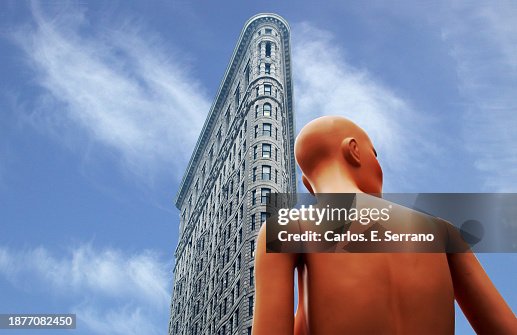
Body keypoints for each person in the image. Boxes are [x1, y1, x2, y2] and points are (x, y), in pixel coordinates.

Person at [252, 116, 516, 334]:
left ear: (308, 186)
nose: (379, 167)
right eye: (374, 154)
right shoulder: (441, 231)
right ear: (353, 150)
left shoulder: (289, 228)